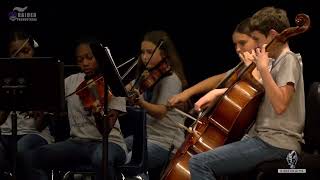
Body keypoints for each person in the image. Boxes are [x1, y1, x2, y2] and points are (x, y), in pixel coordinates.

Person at [187, 7, 305, 180]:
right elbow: (255, 94)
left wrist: (263, 69)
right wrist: (219, 92)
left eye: (257, 39)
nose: (256, 45)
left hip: (277, 144)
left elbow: (280, 105)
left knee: (199, 163)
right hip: (264, 139)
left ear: (272, 35)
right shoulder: (275, 62)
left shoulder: (289, 60)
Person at [28, 38, 128, 180]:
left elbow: (105, 130)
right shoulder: (71, 81)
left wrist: (98, 113)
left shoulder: (113, 84)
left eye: (89, 58)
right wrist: (42, 109)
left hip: (110, 143)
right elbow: (51, 105)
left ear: (99, 58)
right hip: (77, 143)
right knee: (37, 156)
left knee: (100, 158)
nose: (85, 63)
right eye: (80, 60)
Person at [126, 30, 188, 179]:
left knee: (129, 164)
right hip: (146, 137)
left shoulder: (171, 79)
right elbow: (126, 89)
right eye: (142, 52)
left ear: (164, 54)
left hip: (165, 143)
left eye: (150, 52)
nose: (145, 57)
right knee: (114, 151)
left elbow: (160, 112)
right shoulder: (147, 76)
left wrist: (141, 102)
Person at [168, 17, 258, 111]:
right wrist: (187, 93)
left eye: (242, 43)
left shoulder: (265, 65)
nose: (237, 49)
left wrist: (219, 93)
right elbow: (221, 78)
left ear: (258, 40)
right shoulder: (243, 65)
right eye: (235, 44)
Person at [0, 29, 53, 179]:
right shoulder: (2, 77)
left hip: (34, 134)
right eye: (15, 53)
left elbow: (39, 126)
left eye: (26, 51)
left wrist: (40, 111)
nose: (22, 56)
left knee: (22, 149)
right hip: (4, 134)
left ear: (33, 51)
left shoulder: (45, 78)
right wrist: (8, 103)